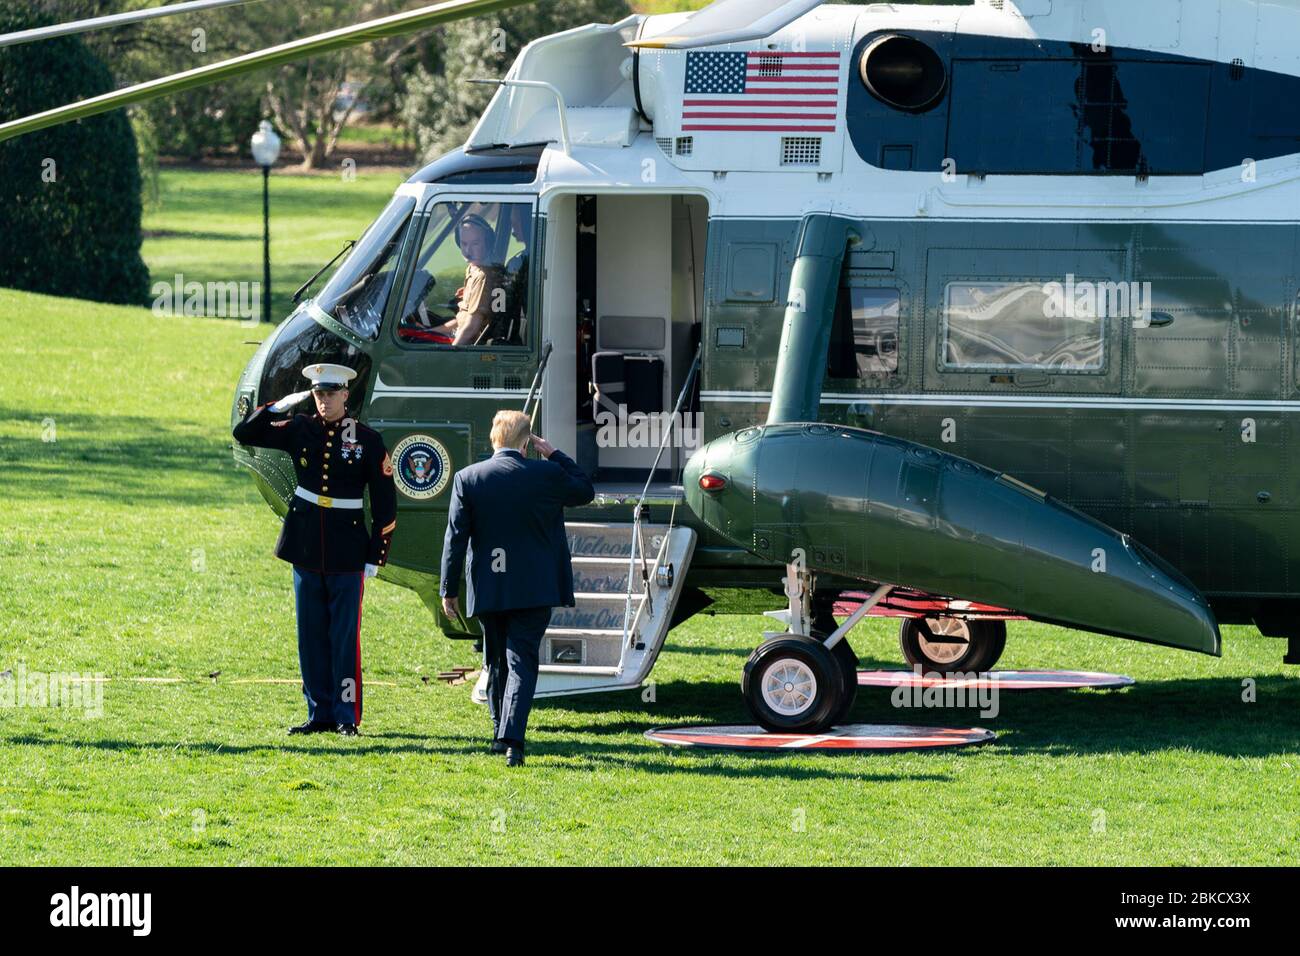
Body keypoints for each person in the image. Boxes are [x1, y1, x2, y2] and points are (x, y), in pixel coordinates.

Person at [232, 363, 397, 737]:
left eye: (330, 394)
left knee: (343, 637)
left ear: (345, 395)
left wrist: (376, 554)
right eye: (318, 394)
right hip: (306, 543)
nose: (324, 401)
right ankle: (319, 712)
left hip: (347, 547)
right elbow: (245, 433)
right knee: (310, 635)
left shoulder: (367, 440)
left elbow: (386, 503)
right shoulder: (300, 427)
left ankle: (345, 714)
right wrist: (276, 408)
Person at [439, 410, 595, 766]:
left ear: (492, 440)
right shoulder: (547, 474)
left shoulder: (468, 478)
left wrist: (448, 589)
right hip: (534, 586)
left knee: (494, 661)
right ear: (527, 443)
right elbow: (585, 489)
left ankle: (499, 733)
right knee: (521, 661)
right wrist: (554, 453)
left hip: (489, 586)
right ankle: (513, 739)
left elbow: (455, 539)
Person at [427, 214, 509, 347]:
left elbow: (471, 328)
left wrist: (450, 355)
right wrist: (428, 332)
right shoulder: (474, 268)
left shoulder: (482, 276)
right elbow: (462, 320)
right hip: (459, 333)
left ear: (488, 243)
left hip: (470, 346)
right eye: (463, 243)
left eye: (475, 243)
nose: (467, 250)